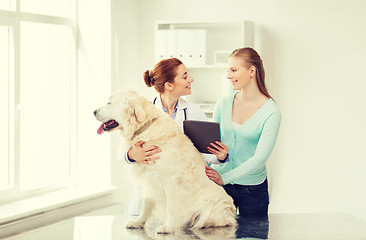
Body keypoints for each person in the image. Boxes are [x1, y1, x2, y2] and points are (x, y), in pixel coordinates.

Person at [124, 58, 229, 218]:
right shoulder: (142, 111)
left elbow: (203, 153)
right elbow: (122, 152)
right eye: (185, 76)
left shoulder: (193, 111)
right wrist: (131, 155)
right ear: (169, 85)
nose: (191, 79)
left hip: (180, 196)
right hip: (148, 197)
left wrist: (220, 156)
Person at [205, 47, 281, 217]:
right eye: (228, 70)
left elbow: (260, 158)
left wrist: (225, 178)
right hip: (220, 187)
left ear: (252, 71)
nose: (228, 76)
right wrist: (206, 177)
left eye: (233, 70)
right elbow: (210, 145)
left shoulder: (271, 112)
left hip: (253, 189)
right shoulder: (223, 103)